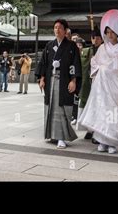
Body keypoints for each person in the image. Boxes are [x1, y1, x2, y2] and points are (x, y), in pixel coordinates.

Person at [78, 10, 118, 154]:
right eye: (107, 32)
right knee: (102, 110)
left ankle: (112, 142)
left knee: (114, 111)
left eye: (112, 31)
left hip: (116, 85)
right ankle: (102, 141)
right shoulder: (102, 48)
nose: (110, 35)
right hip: (102, 85)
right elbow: (94, 63)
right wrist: (101, 69)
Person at [37, 19, 82, 149]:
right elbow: (44, 63)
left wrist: (73, 80)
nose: (57, 30)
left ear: (65, 30)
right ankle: (53, 135)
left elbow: (75, 64)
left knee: (62, 109)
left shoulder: (71, 46)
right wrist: (42, 78)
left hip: (64, 81)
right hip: (51, 81)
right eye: (55, 27)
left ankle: (62, 137)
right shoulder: (49, 45)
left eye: (60, 28)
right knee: (51, 107)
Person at [76, 31, 103, 141]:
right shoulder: (85, 51)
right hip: (87, 83)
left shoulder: (105, 51)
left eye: (98, 38)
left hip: (100, 83)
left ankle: (98, 131)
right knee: (86, 106)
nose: (95, 40)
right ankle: (89, 130)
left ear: (101, 39)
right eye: (93, 38)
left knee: (99, 107)